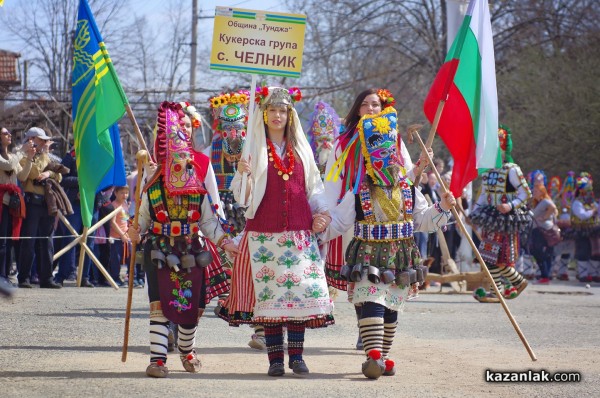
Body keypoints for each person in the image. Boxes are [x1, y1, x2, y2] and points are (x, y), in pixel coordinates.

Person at [322, 103, 456, 379]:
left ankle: (381, 356)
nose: (386, 157)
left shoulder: (408, 189)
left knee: (392, 303)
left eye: (390, 152)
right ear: (368, 157)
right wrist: (314, 230)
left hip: (400, 256)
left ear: (397, 155)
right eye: (378, 152)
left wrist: (442, 206)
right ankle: (373, 356)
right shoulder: (357, 193)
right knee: (372, 300)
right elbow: (338, 223)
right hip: (367, 255)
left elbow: (423, 221)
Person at [223, 85, 334, 377]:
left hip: (299, 233)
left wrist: (321, 213)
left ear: (290, 114)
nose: (277, 115)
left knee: (298, 295)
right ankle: (274, 360)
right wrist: (243, 172)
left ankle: (296, 357)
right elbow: (242, 198)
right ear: (263, 113)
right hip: (264, 234)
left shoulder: (301, 148)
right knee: (270, 298)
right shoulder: (254, 149)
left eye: (283, 110)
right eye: (272, 109)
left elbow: (314, 187)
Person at [129, 101, 238, 378]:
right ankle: (158, 360)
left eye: (182, 159)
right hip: (159, 248)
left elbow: (209, 222)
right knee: (159, 306)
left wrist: (227, 243)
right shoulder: (152, 185)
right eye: (171, 158)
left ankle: (187, 350)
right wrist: (134, 231)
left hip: (192, 247)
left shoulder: (198, 186)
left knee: (192, 307)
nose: (178, 165)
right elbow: (141, 218)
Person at [322, 88, 431, 350]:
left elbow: (403, 174)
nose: (371, 109)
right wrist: (328, 211)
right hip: (356, 211)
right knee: (362, 272)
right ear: (357, 109)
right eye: (366, 104)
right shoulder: (343, 142)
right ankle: (367, 325)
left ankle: (372, 332)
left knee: (386, 276)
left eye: (376, 105)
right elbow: (333, 179)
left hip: (389, 211)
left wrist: (419, 168)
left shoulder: (393, 140)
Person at [470, 125, 532, 303]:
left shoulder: (512, 169)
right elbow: (483, 195)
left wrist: (510, 206)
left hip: (506, 220)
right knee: (488, 257)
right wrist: (473, 214)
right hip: (490, 218)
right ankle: (497, 290)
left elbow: (526, 193)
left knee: (501, 257)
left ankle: (517, 282)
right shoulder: (487, 171)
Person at [17, 127, 65, 289]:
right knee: (29, 241)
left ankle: (47, 278)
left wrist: (49, 174)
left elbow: (59, 174)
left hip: (47, 203)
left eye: (45, 140)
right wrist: (44, 157)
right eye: (41, 140)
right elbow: (34, 173)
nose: (45, 143)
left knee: (47, 241)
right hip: (33, 202)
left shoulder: (46, 156)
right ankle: (24, 277)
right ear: (31, 139)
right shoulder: (23, 156)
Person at [0, 127, 29, 280]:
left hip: (10, 204)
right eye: (5, 133)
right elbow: (8, 165)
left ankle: (4, 275)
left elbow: (22, 176)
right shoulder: (10, 158)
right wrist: (22, 151)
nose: (9, 135)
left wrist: (29, 158)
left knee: (7, 242)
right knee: (2, 241)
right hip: (1, 202)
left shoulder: (12, 156)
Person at [570, 172, 600, 282]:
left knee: (596, 253)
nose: (589, 193)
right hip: (581, 230)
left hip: (595, 231)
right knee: (583, 252)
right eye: (587, 190)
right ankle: (583, 275)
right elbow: (582, 215)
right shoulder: (577, 203)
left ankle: (595, 274)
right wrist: (593, 211)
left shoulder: (593, 203)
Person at [529, 182, 558, 284]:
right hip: (542, 230)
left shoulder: (545, 202)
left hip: (542, 231)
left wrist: (545, 217)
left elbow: (553, 207)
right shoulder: (539, 202)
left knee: (539, 253)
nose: (534, 193)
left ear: (542, 192)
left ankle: (545, 275)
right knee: (546, 254)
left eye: (536, 191)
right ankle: (546, 275)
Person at [108, 186, 130, 287]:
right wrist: (122, 234)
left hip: (126, 236)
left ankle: (129, 277)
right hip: (116, 237)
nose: (124, 195)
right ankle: (114, 278)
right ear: (115, 193)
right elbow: (112, 223)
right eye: (122, 193)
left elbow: (126, 220)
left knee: (128, 258)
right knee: (115, 259)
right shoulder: (114, 205)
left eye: (126, 193)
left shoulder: (125, 204)